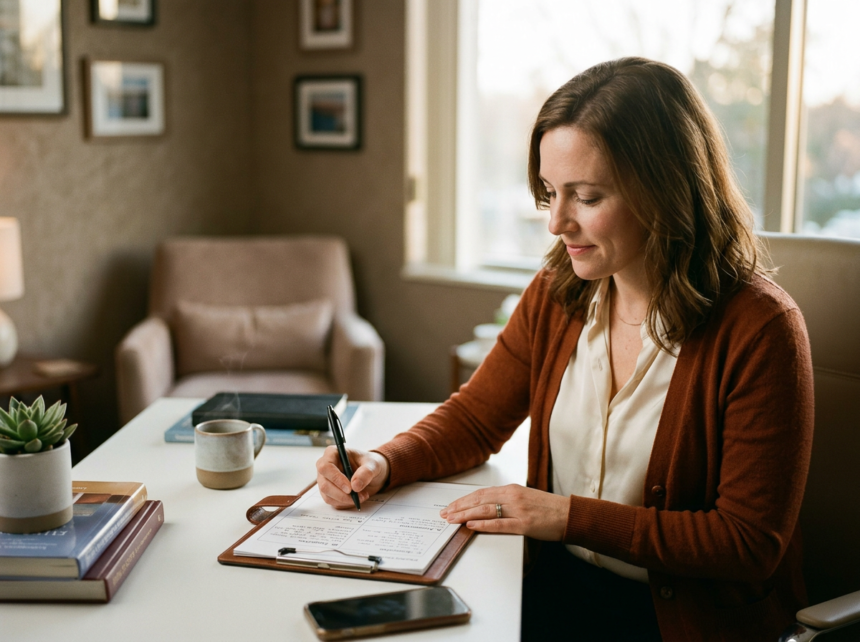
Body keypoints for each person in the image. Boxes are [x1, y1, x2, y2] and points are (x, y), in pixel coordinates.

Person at [315, 57, 814, 641]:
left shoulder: (761, 329)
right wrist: (384, 462)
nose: (556, 222)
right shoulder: (558, 293)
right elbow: (476, 418)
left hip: (682, 620)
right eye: (550, 193)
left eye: (587, 197)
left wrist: (565, 517)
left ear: (666, 191)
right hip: (551, 587)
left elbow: (748, 543)